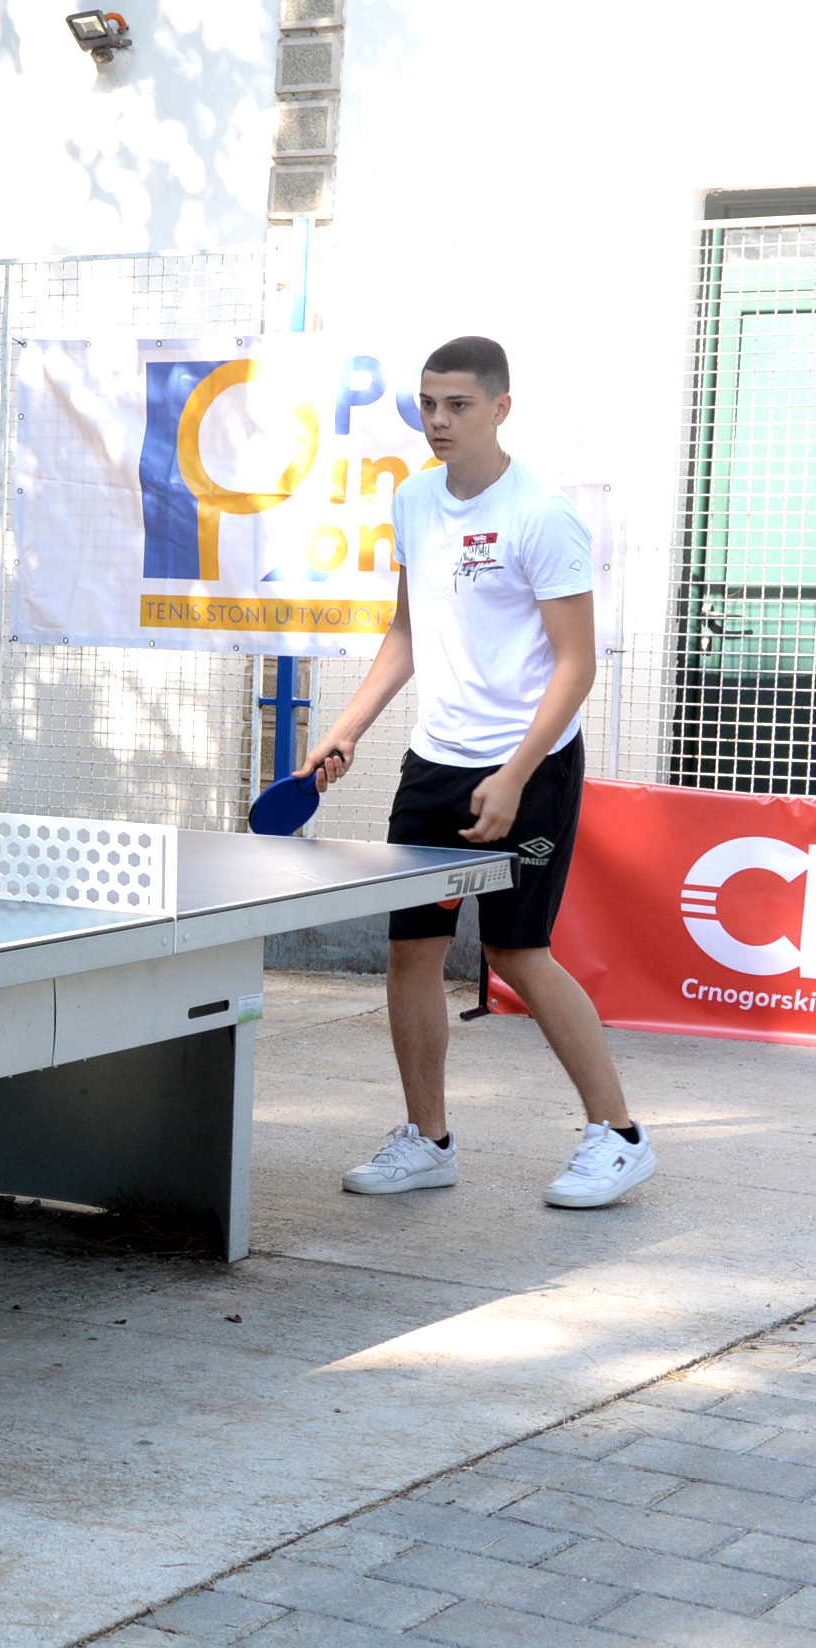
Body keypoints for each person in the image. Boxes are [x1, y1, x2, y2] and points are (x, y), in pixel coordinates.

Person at [302, 336, 648, 1210]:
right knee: (408, 953)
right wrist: (342, 731)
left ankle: (618, 1134)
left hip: (525, 765)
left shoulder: (540, 515)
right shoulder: (415, 500)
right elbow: (407, 633)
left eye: (456, 404)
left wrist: (513, 770)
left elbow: (575, 666)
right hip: (435, 761)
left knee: (515, 951)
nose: (438, 420)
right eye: (427, 403)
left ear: (499, 408)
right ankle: (427, 1139)